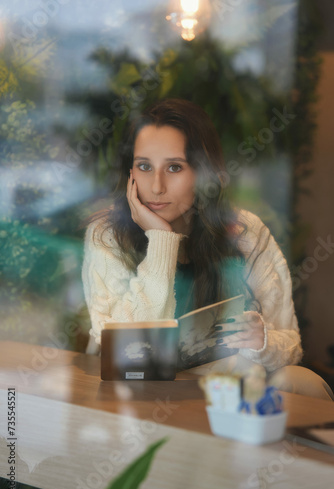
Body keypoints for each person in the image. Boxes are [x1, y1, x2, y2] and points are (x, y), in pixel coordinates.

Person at [82, 98, 333, 400]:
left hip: (226, 383)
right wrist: (160, 240)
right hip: (140, 390)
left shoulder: (244, 232)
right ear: (130, 172)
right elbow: (126, 353)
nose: (157, 186)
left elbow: (290, 344)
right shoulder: (108, 235)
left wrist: (260, 342)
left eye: (174, 167)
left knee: (303, 382)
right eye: (145, 166)